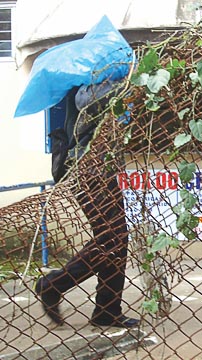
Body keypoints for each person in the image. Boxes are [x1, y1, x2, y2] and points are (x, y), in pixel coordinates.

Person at [35, 81, 139, 328]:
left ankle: (107, 309)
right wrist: (129, 87)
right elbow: (92, 102)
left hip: (101, 171)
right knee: (112, 240)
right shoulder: (89, 86)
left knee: (115, 240)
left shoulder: (101, 83)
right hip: (90, 172)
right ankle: (54, 284)